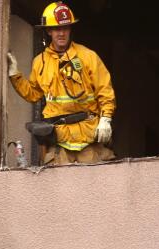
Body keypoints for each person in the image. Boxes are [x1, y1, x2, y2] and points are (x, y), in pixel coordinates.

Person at [7, 2, 116, 165]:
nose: (61, 33)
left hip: (88, 138)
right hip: (59, 140)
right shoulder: (40, 62)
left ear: (70, 29)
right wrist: (15, 75)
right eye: (57, 29)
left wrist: (105, 119)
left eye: (65, 28)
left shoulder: (87, 56)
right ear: (49, 31)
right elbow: (33, 93)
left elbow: (104, 89)